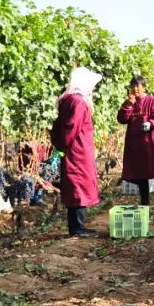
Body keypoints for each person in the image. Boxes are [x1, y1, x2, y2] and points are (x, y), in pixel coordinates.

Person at [50, 66, 103, 237]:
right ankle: (77, 228)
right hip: (78, 151)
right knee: (79, 185)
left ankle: (77, 226)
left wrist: (59, 144)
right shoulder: (78, 102)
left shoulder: (67, 100)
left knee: (75, 185)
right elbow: (72, 128)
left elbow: (59, 125)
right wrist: (64, 144)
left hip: (73, 150)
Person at [118, 76, 154, 214]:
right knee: (141, 175)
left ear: (144, 87)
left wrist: (150, 123)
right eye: (133, 86)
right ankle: (144, 206)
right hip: (136, 145)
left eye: (138, 86)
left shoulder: (152, 101)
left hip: (151, 143)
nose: (135, 89)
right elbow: (122, 119)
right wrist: (128, 105)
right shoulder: (130, 102)